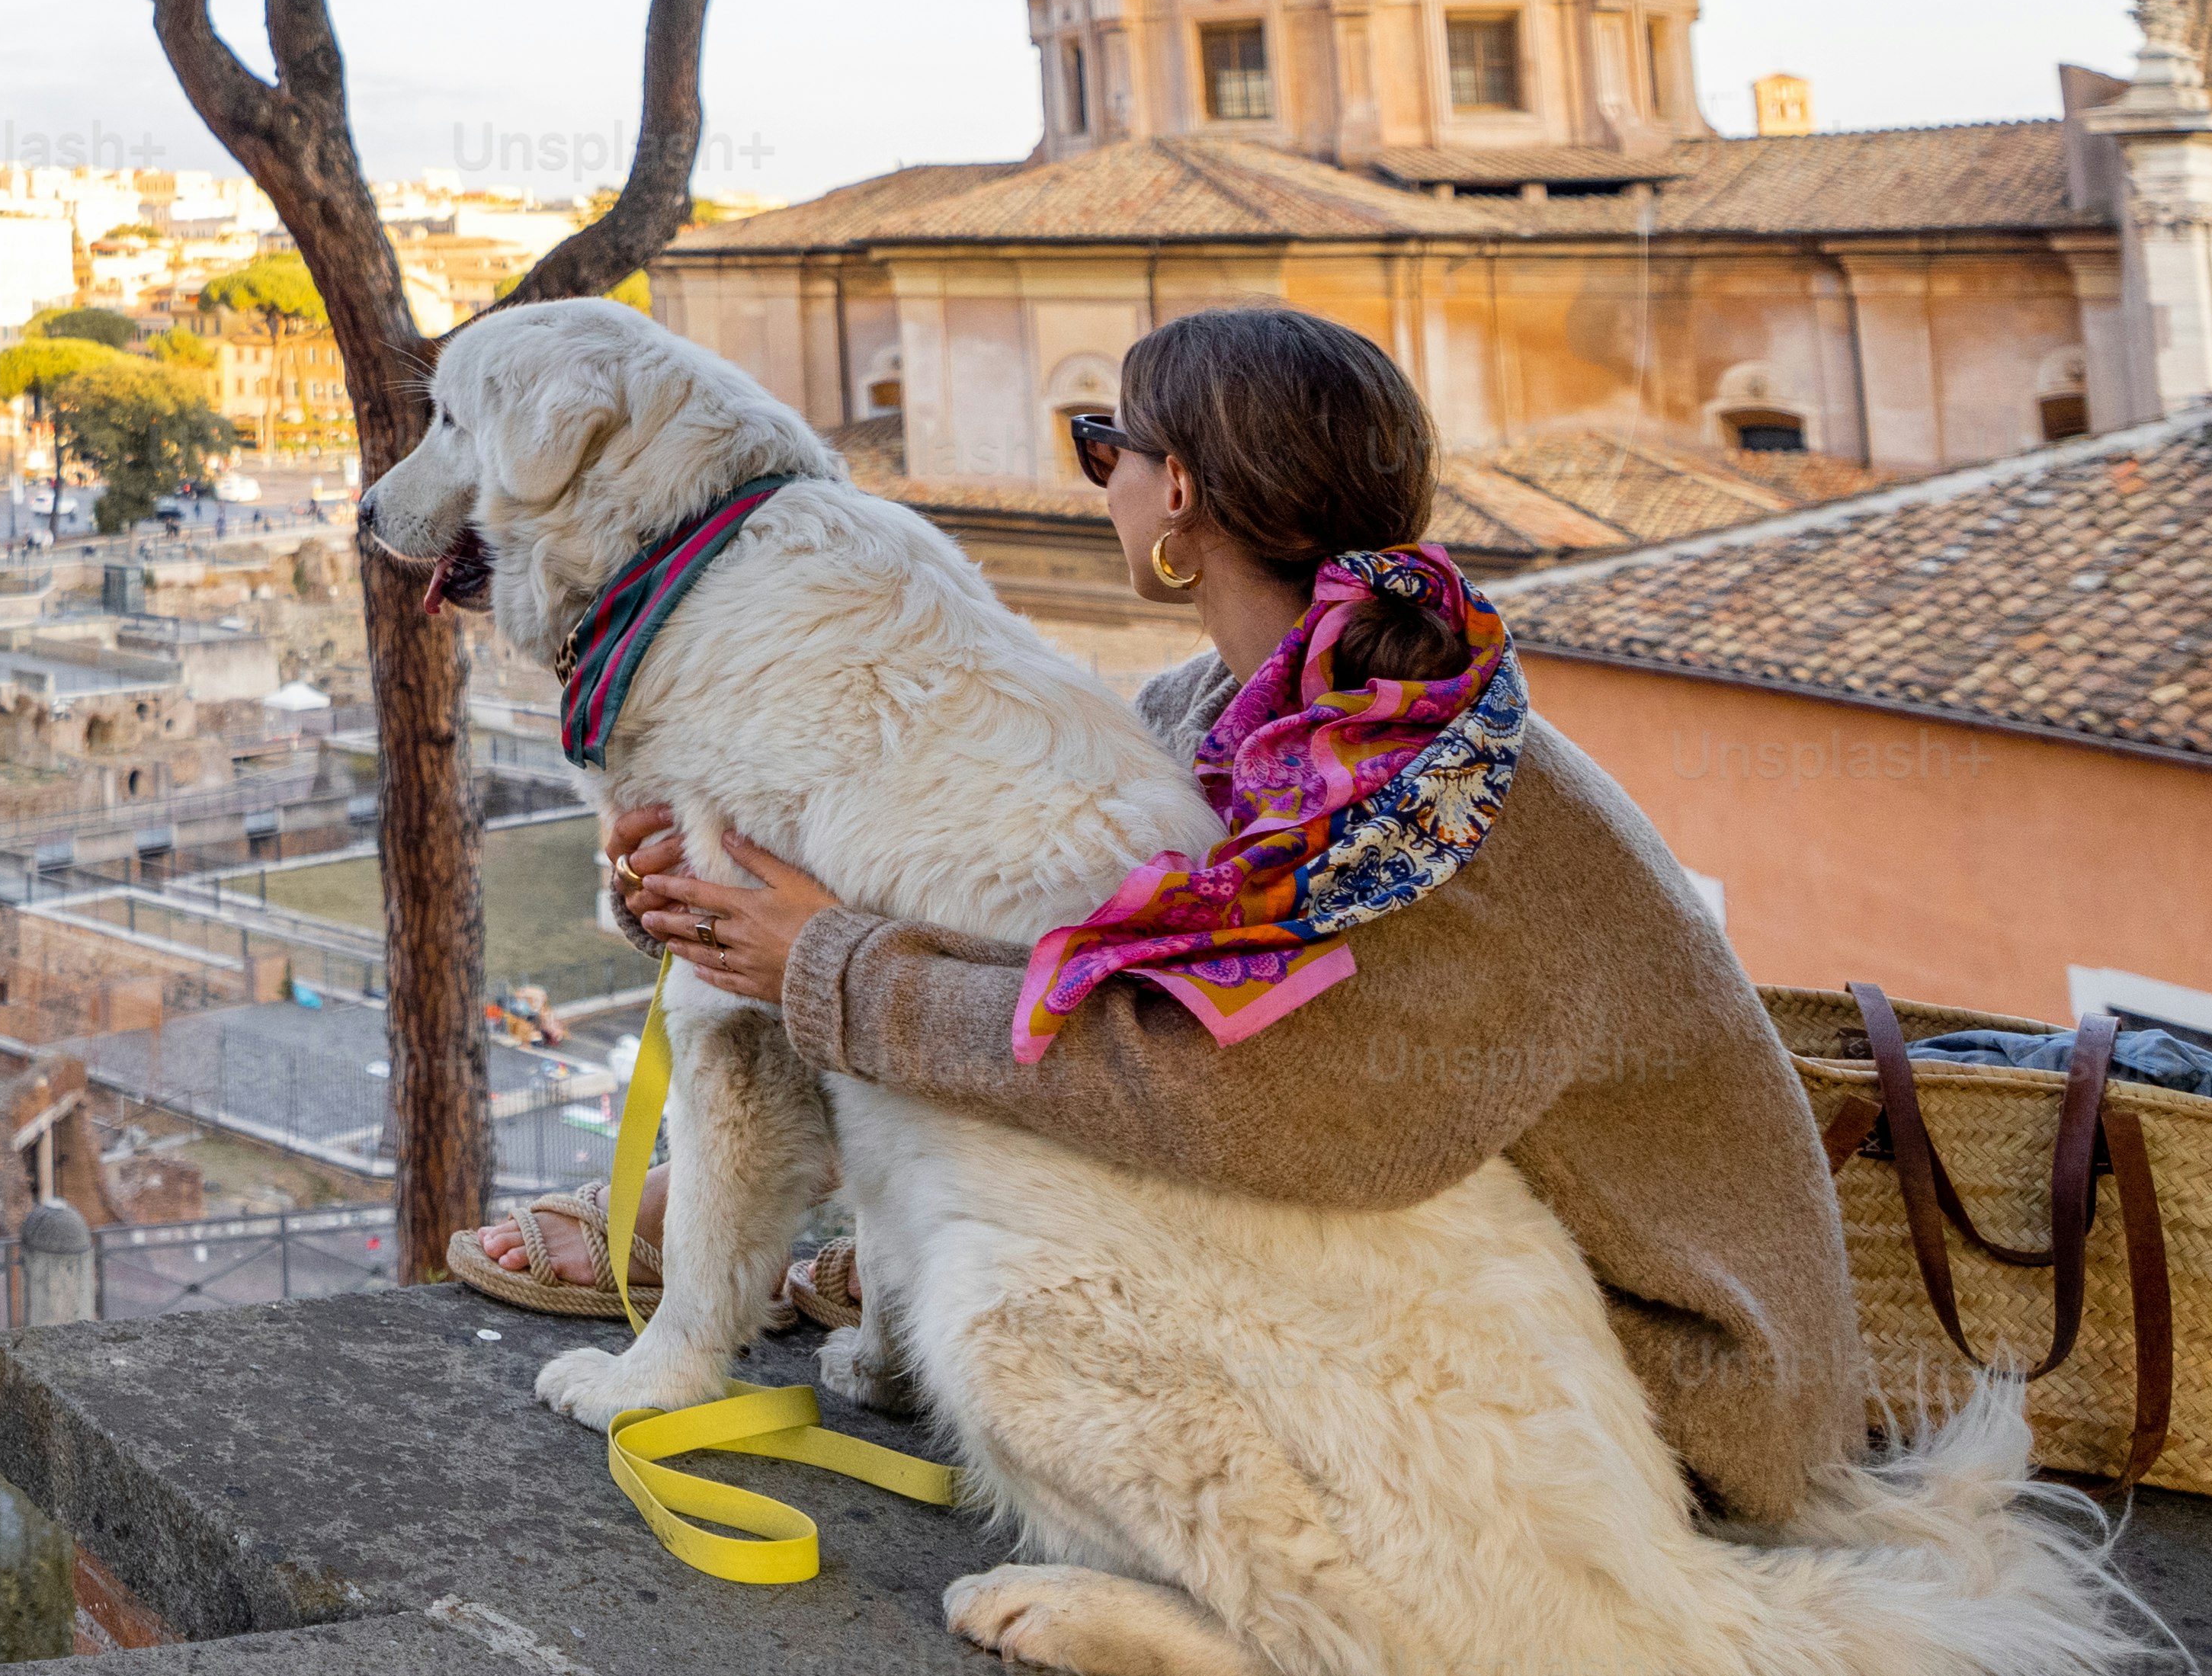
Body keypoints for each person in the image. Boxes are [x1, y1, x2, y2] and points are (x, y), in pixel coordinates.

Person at [552, 303, 1869, 1525]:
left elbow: (1244, 1102)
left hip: (1677, 1410)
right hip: (1546, 1347)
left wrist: (829, 965)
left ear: (1176, 491)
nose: (1098, 484)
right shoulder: (1254, 715)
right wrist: (718, 894)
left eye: (1099, 449)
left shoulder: (1429, 810)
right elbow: (1050, 955)